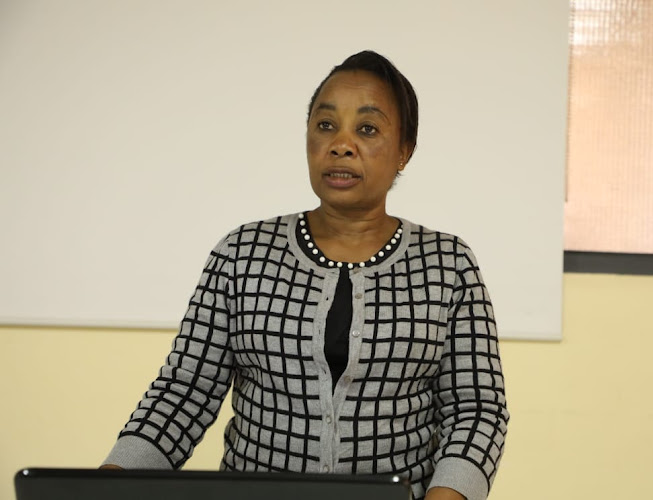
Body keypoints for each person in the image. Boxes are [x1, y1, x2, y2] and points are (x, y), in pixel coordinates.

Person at [102, 50, 509, 500]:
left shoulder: (448, 264)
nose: (341, 144)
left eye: (368, 129)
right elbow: (183, 393)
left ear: (403, 152)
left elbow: (477, 412)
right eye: (326, 125)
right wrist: (109, 482)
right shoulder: (242, 253)